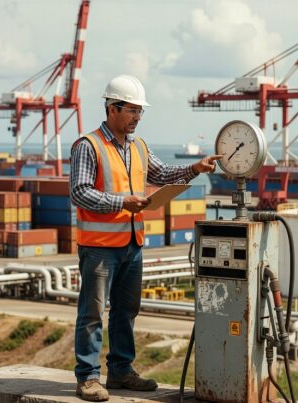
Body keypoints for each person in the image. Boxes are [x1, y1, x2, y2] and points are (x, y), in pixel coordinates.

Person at [70, 74, 221, 401]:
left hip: (132, 244)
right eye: (133, 110)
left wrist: (195, 168)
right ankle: (88, 377)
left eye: (141, 111)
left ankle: (121, 370)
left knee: (126, 311)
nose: (138, 117)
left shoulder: (138, 147)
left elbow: (162, 174)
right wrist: (121, 201)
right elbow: (79, 193)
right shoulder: (88, 145)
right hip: (98, 248)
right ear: (113, 108)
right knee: (93, 312)